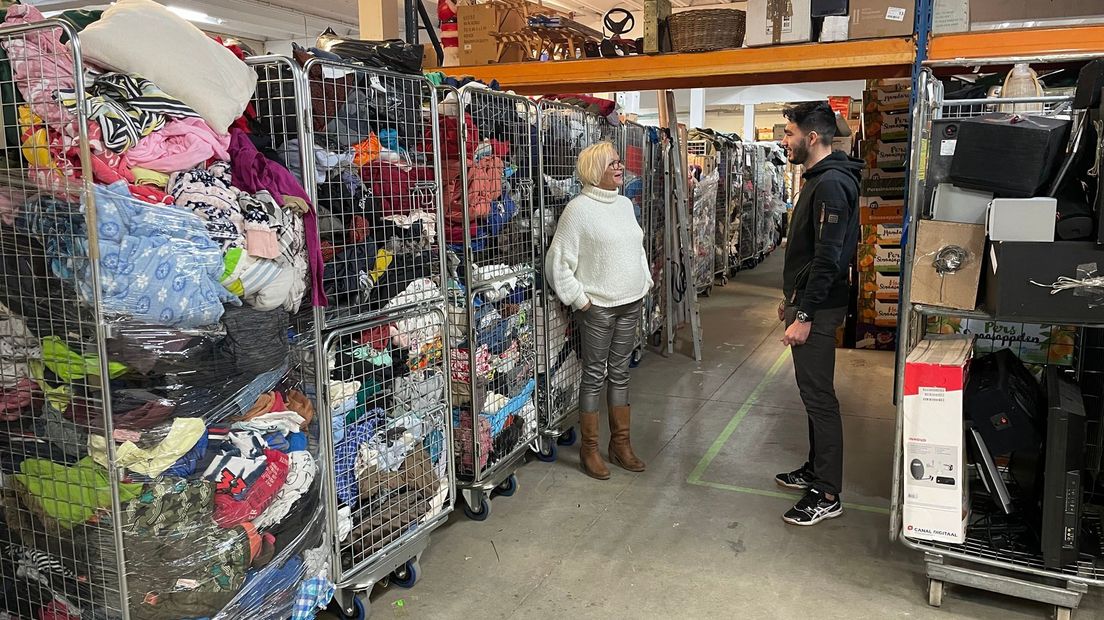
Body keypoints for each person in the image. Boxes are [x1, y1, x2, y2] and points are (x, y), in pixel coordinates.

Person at [775, 101, 863, 526]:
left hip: (819, 307)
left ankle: (827, 492)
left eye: (789, 132)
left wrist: (805, 314)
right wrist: (792, 298)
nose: (784, 140)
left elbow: (829, 258)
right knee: (813, 396)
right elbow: (812, 254)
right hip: (810, 300)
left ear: (811, 138)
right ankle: (815, 471)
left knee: (820, 399)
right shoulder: (821, 180)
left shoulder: (829, 185)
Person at [545, 141, 653, 480]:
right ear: (595, 171)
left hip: (630, 301)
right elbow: (557, 263)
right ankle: (589, 451)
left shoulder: (624, 204)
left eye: (620, 162)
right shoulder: (578, 210)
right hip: (599, 308)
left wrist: (645, 281)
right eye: (613, 164)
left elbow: (636, 248)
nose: (620, 168)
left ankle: (620, 445)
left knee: (620, 374)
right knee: (594, 376)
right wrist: (580, 300)